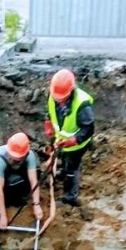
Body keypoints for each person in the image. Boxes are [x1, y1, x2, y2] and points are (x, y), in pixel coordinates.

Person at [45, 69, 94, 207]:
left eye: (62, 99)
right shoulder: (54, 94)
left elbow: (88, 128)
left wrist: (74, 140)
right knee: (64, 160)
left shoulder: (82, 104)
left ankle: (70, 197)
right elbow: (49, 111)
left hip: (77, 145)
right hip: (61, 141)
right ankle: (64, 171)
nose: (58, 101)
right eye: (57, 99)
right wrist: (48, 123)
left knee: (72, 168)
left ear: (70, 91)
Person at [0, 132, 44, 231]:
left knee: (37, 171)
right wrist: (3, 216)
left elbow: (33, 180)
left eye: (18, 157)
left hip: (17, 172)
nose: (13, 158)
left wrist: (36, 204)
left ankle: (20, 195)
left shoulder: (29, 155)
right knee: (14, 182)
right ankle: (9, 199)